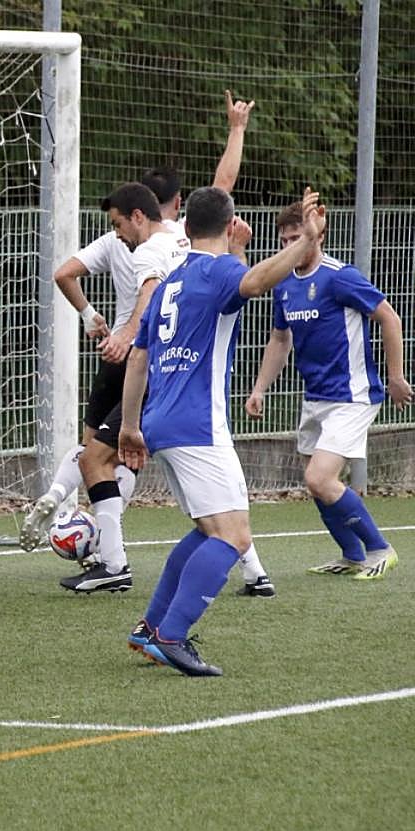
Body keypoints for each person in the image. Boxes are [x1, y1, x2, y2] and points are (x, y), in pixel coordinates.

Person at [22, 92, 273, 596]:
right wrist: (237, 131)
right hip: (173, 368)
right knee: (108, 456)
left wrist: (122, 334)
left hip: (150, 363)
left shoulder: (146, 254)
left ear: (138, 215)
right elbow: (222, 187)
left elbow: (153, 296)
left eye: (118, 225)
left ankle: (110, 562)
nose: (116, 234)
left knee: (99, 457)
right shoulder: (186, 233)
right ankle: (253, 571)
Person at [119, 187, 325, 677]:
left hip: (161, 420)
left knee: (207, 529)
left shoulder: (172, 281)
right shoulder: (221, 271)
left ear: (185, 229)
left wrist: (129, 425)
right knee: (233, 538)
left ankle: (151, 628)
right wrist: (305, 243)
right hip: (198, 423)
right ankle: (172, 635)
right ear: (231, 226)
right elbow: (253, 282)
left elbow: (140, 357)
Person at [245, 201, 412, 579]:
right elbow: (279, 339)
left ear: (318, 235)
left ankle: (380, 549)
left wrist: (396, 376)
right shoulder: (284, 283)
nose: (292, 245)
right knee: (316, 485)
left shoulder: (340, 277)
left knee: (320, 478)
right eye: (285, 240)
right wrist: (259, 388)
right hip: (315, 397)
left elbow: (389, 317)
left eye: (298, 238)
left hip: (352, 396)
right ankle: (352, 554)